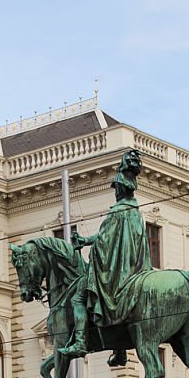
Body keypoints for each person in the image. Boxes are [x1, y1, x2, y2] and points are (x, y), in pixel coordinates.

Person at [61, 149, 150, 359]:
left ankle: (80, 342)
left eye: (116, 188)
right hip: (134, 268)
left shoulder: (118, 211)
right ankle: (119, 350)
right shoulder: (135, 211)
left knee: (79, 298)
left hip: (117, 271)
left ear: (120, 188)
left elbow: (104, 238)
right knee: (117, 303)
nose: (115, 191)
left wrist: (83, 241)